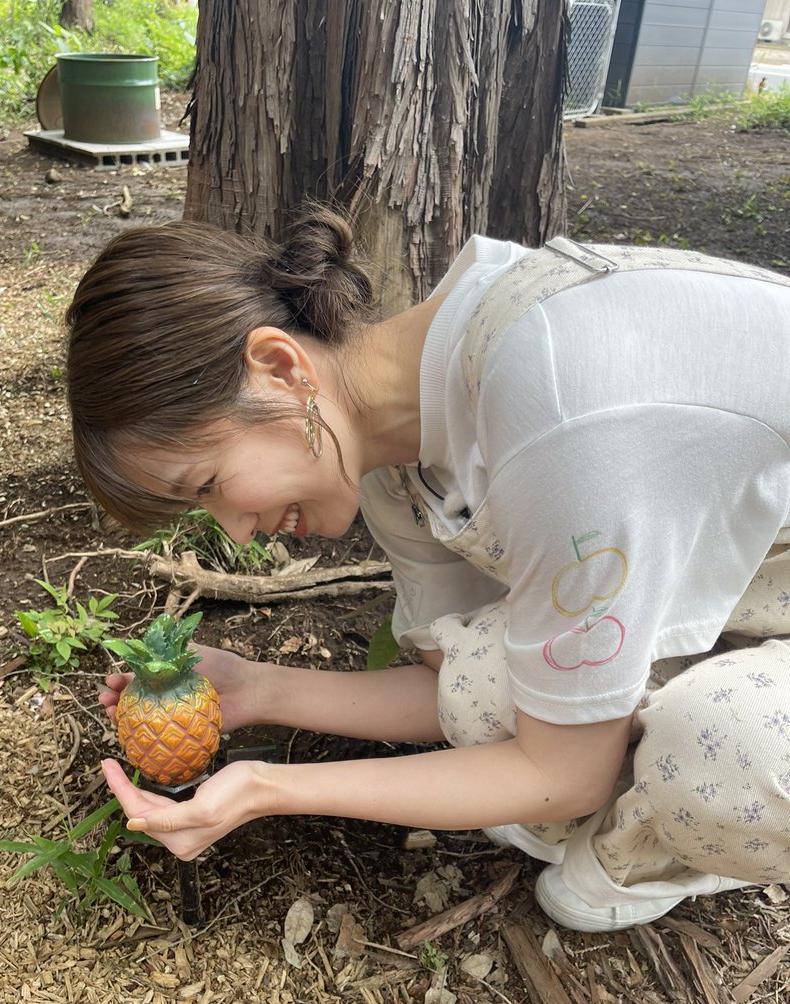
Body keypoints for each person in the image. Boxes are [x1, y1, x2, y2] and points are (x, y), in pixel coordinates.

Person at [66, 208, 790, 932]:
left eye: (209, 484)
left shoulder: (555, 410)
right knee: (482, 686)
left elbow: (562, 774)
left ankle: (657, 849)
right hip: (749, 581)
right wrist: (257, 688)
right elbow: (455, 683)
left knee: (724, 747)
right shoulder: (401, 460)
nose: (238, 530)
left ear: (281, 368)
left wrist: (264, 787)